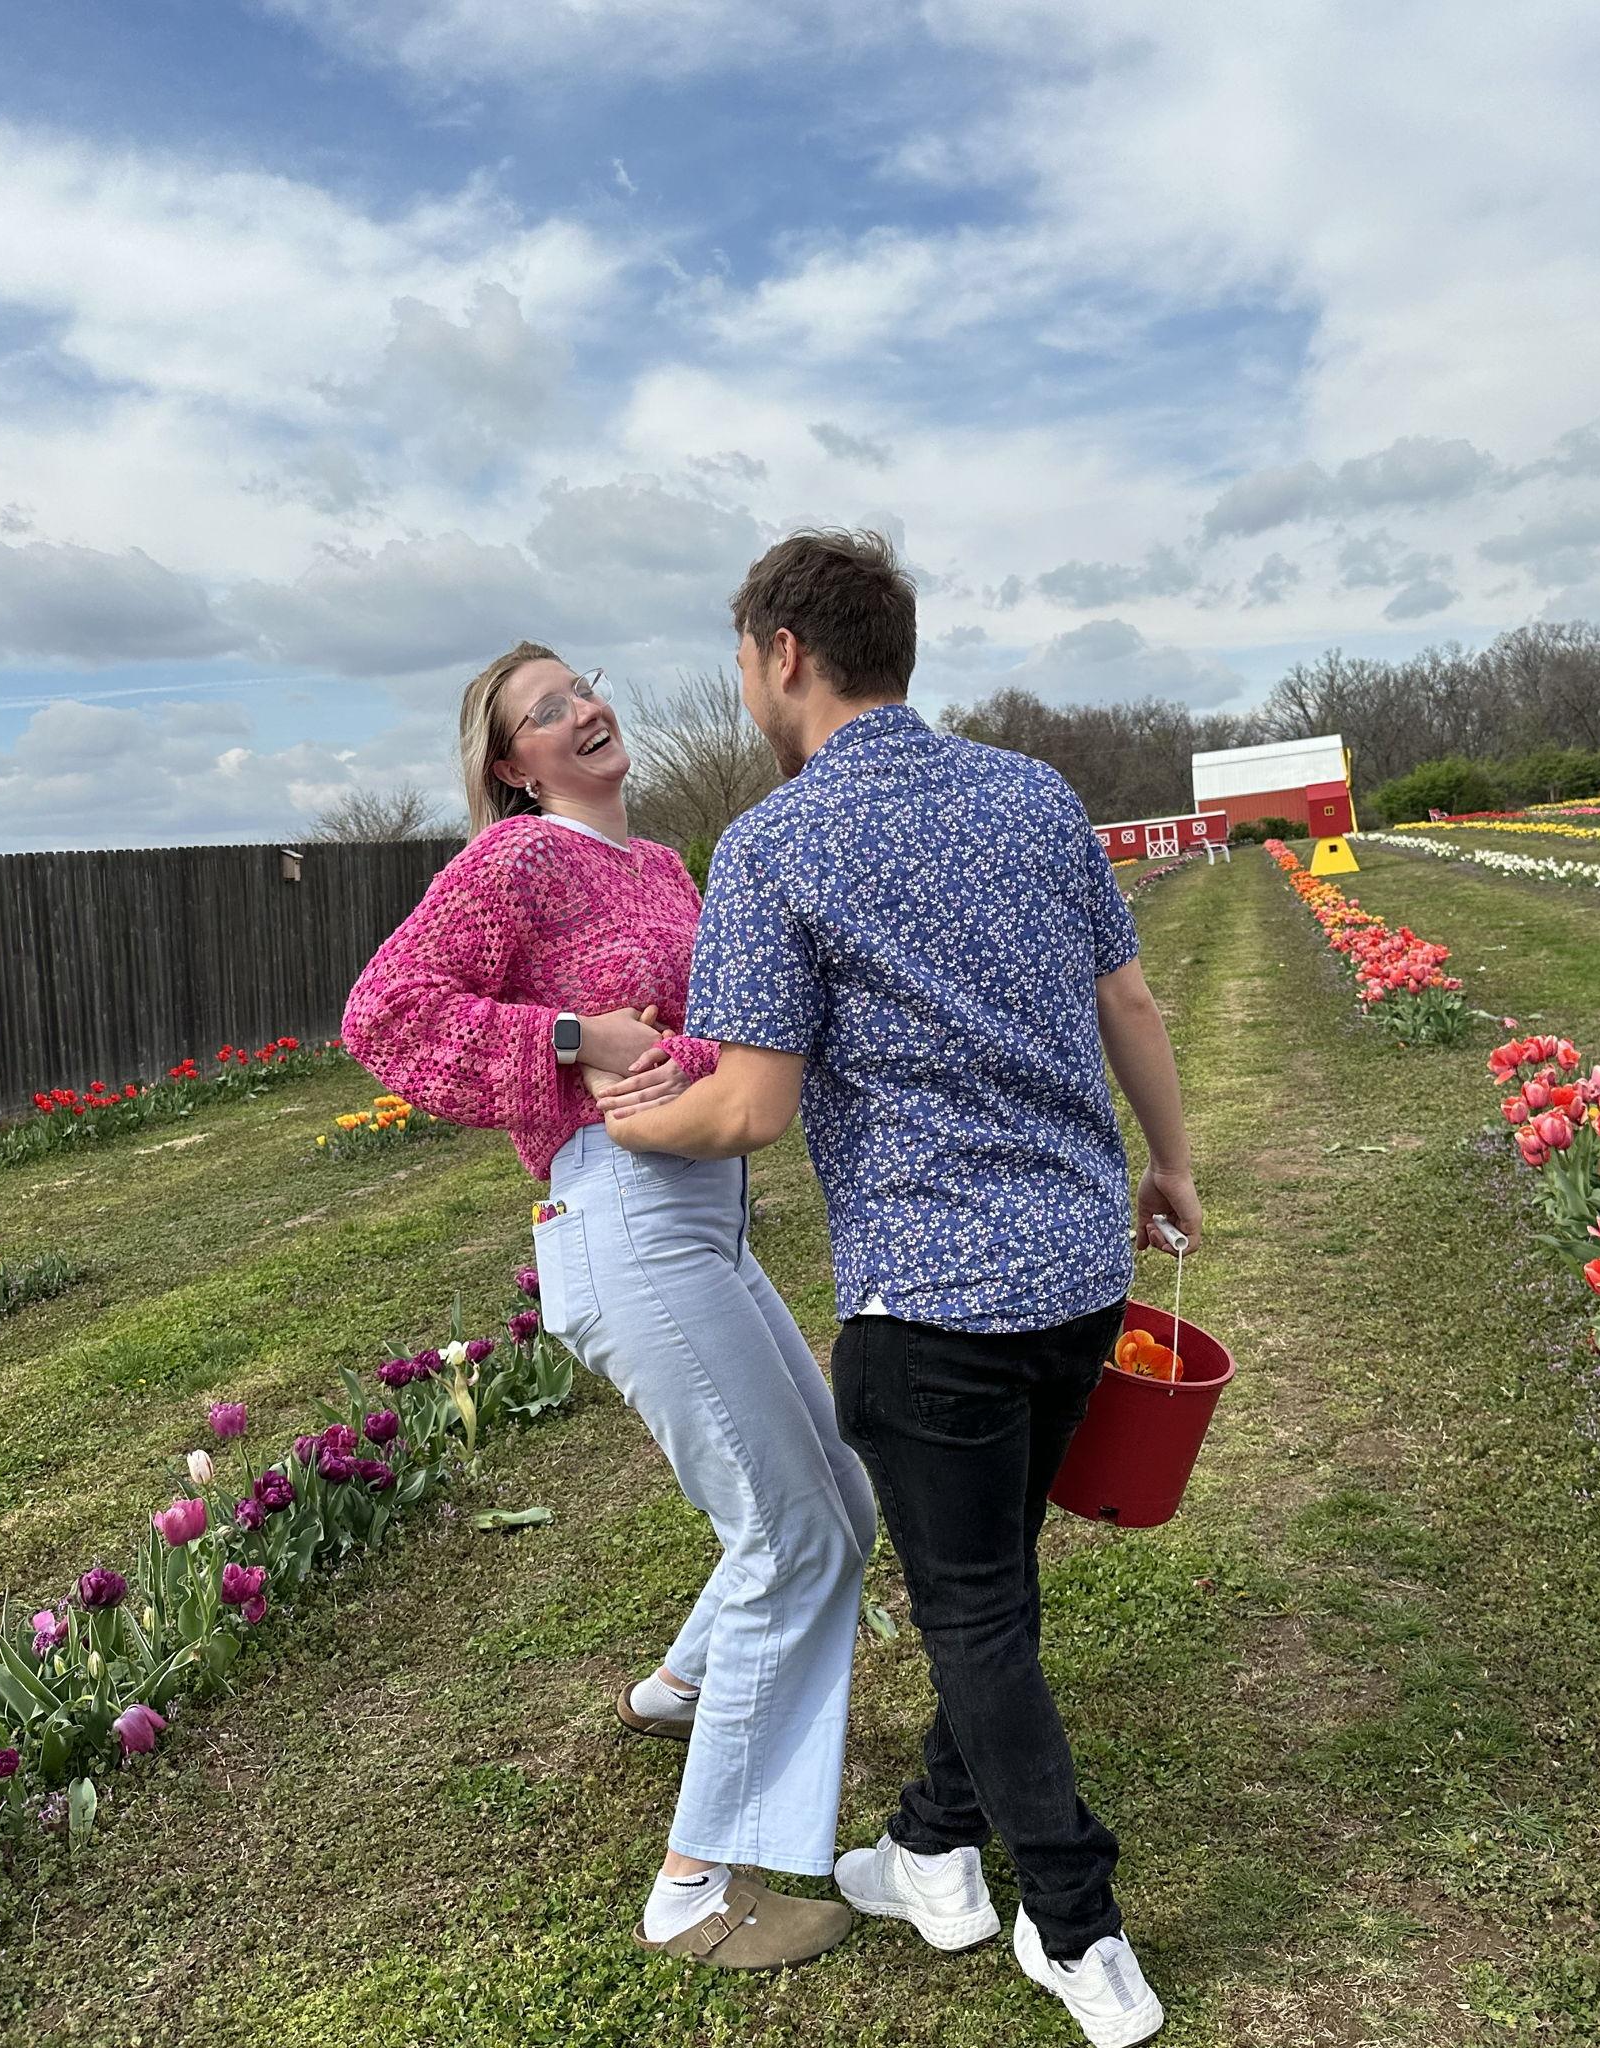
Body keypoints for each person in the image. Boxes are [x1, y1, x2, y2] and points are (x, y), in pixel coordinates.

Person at [604, 531, 1201, 2048]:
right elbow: (1124, 996)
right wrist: (1173, 1164)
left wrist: (628, 1121)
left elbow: (743, 1104)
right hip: (1079, 1275)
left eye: (742, 660)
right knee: (995, 1596)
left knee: (977, 1619)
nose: (744, 685)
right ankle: (934, 1847)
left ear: (784, 656)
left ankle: (1078, 1927)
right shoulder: (1035, 795)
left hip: (927, 1305)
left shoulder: (774, 845)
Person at [340, 642, 875, 1971]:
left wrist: (681, 1051)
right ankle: (695, 1890)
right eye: (543, 711)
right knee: (797, 1536)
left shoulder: (661, 866)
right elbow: (384, 1016)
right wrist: (576, 1042)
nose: (582, 711)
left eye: (581, 687)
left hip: (704, 1210)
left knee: (843, 1499)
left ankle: (681, 1686)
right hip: (626, 1219)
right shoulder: (517, 861)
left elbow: (719, 1046)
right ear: (511, 766)